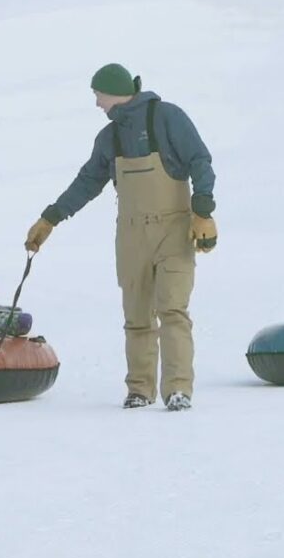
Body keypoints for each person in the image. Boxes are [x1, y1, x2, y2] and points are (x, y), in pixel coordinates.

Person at [24, 63, 217, 411]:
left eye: (98, 95)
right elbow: (87, 182)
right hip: (130, 235)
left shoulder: (167, 117)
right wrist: (51, 217)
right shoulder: (109, 137)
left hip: (174, 228)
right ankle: (139, 390)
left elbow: (200, 160)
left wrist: (203, 209)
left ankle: (178, 389)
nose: (97, 103)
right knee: (137, 315)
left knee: (172, 308)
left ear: (113, 91)